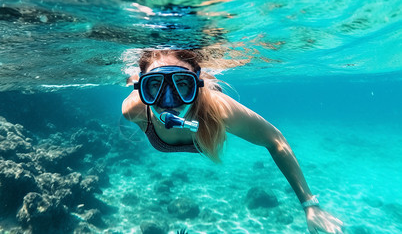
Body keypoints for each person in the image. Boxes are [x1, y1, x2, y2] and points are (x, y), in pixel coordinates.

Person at [122, 49, 344, 234]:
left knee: (212, 94)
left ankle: (203, 83)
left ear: (196, 83)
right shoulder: (135, 110)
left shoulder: (219, 110)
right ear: (142, 88)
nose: (169, 100)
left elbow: (275, 140)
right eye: (154, 85)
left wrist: (310, 205)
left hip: (207, 99)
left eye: (182, 83)